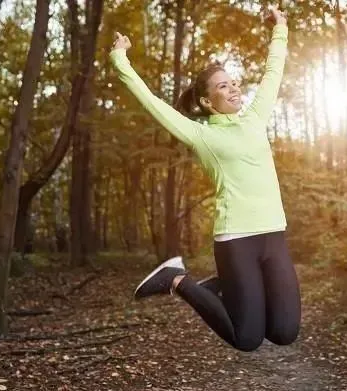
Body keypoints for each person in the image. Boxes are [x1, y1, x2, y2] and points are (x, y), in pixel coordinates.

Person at [109, 5, 301, 352]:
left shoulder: (255, 118)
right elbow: (152, 103)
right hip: (237, 240)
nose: (234, 88)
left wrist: (280, 28)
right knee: (247, 339)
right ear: (207, 101)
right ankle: (176, 279)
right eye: (223, 86)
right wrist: (121, 60)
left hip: (273, 235)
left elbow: (274, 72)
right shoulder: (201, 135)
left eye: (234, 82)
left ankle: (228, 284)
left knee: (285, 332)